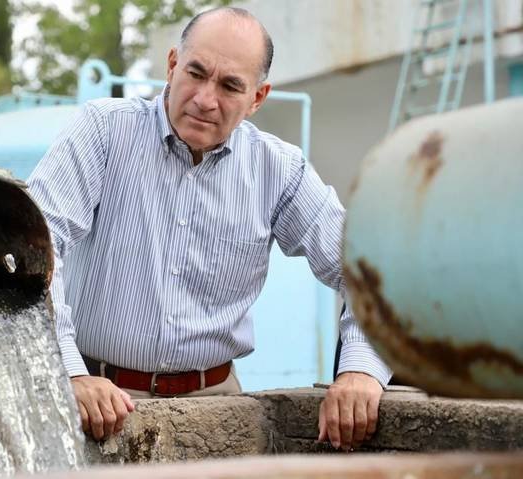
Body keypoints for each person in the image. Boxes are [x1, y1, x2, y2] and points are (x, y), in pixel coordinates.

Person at [28, 7, 392, 452]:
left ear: (257, 97)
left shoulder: (280, 170)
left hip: (217, 410)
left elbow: (368, 271)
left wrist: (360, 370)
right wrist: (70, 372)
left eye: (229, 86)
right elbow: (38, 245)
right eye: (196, 73)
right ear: (171, 65)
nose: (204, 98)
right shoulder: (103, 132)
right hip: (96, 404)